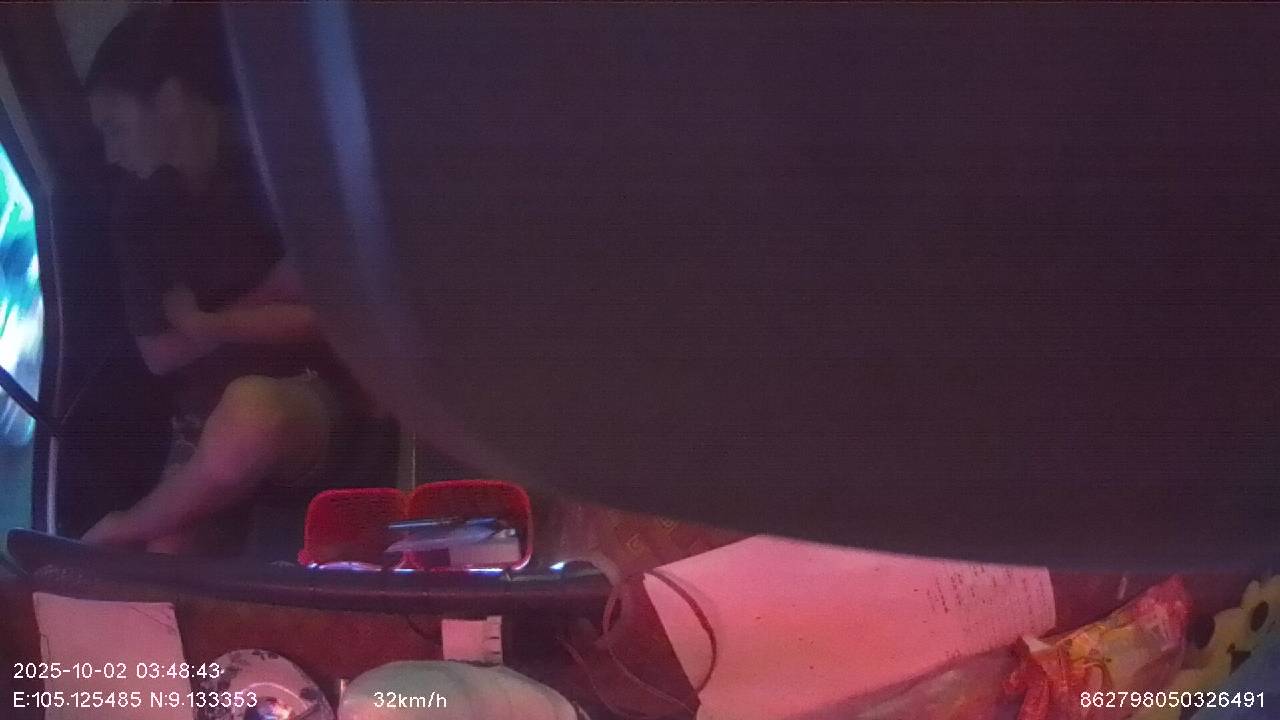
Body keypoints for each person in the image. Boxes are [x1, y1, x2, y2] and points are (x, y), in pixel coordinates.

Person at [81, 6, 371, 554]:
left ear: (169, 100)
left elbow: (337, 315)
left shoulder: (280, 161)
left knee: (250, 415)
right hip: (200, 417)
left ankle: (124, 525)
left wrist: (206, 323)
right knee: (165, 557)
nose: (111, 155)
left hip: (312, 392)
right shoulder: (135, 210)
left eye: (114, 128)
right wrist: (263, 299)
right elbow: (159, 353)